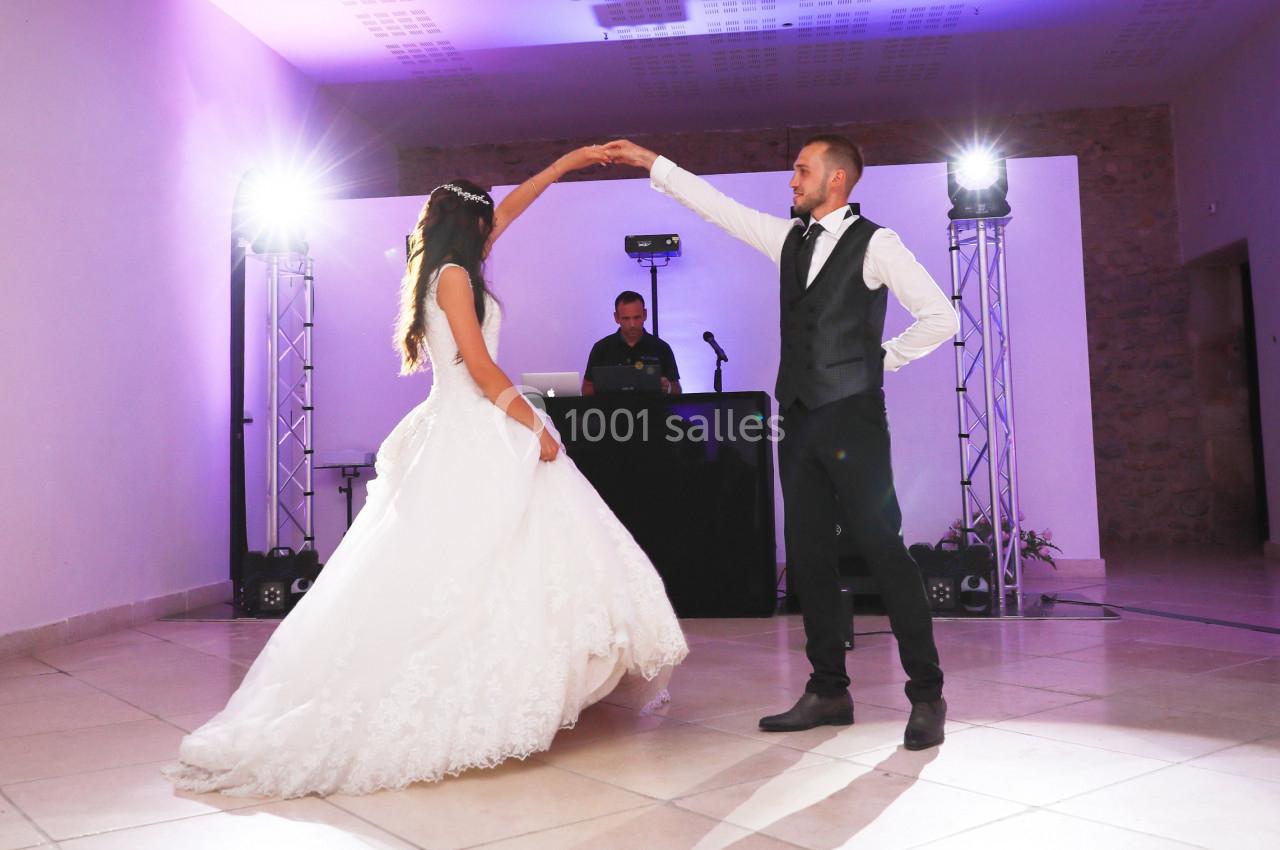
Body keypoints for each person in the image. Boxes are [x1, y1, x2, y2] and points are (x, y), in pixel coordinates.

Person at [165, 147, 688, 798]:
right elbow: (479, 366)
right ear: (468, 227)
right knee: (466, 566)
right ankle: (472, 689)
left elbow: (512, 214)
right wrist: (532, 426)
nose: (494, 231)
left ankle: (519, 678)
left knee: (509, 557)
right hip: (473, 423)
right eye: (486, 224)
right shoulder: (454, 279)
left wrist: (566, 165)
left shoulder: (449, 268)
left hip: (468, 422)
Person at [605, 135, 957, 750]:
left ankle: (927, 694)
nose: (792, 181)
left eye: (802, 171)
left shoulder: (878, 243)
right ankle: (828, 690)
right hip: (797, 420)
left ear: (838, 180)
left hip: (854, 422)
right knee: (809, 557)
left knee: (883, 549)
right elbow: (718, 207)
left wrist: (880, 360)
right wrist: (652, 163)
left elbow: (941, 317)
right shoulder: (787, 238)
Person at [582, 291, 681, 395]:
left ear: (645, 315)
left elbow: (677, 389)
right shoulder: (601, 348)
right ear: (616, 317)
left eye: (637, 317)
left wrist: (668, 387)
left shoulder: (661, 347)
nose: (632, 324)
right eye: (626, 318)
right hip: (611, 409)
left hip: (652, 409)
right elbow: (586, 388)